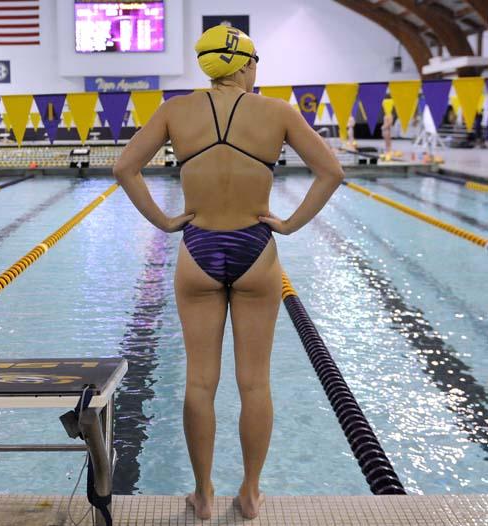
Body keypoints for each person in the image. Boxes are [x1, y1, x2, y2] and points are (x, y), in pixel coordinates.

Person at [112, 25, 344, 520]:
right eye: (255, 60)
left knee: (199, 381)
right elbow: (332, 172)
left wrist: (165, 221)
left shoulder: (175, 110)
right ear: (241, 64)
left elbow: (124, 169)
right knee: (255, 382)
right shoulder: (277, 112)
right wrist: (290, 224)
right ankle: (251, 494)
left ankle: (202, 495)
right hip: (256, 248)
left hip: (197, 248)